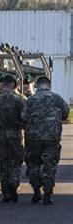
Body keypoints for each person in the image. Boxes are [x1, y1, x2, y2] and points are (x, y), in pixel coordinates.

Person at [22, 76, 69, 205]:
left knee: (34, 164)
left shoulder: (30, 100)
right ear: (49, 85)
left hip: (34, 137)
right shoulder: (57, 98)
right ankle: (47, 194)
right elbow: (65, 115)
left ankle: (36, 191)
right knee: (50, 165)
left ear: (37, 85)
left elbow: (24, 117)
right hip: (52, 137)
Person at [0, 75, 26, 203]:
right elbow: (25, 118)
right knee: (16, 161)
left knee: (3, 163)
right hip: (15, 134)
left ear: (3, 85)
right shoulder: (20, 100)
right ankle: (14, 183)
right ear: (14, 85)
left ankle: (6, 194)